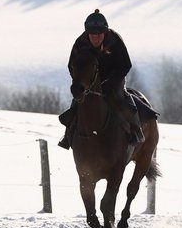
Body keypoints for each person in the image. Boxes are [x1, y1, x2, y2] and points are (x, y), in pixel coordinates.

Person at [57, 9, 145, 150]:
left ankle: (135, 131)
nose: (96, 38)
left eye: (99, 35)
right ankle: (68, 135)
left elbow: (125, 65)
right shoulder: (80, 43)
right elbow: (71, 65)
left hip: (113, 78)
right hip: (88, 80)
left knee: (122, 98)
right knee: (77, 101)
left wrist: (110, 83)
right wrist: (81, 83)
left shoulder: (115, 40)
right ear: (88, 33)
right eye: (92, 35)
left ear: (105, 32)